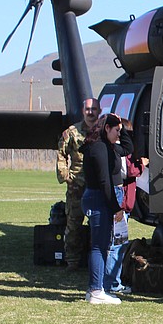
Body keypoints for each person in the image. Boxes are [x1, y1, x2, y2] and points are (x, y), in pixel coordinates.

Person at [81, 113, 126, 305]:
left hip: (96, 197)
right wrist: (115, 207)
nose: (118, 135)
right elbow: (104, 181)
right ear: (107, 128)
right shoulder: (99, 148)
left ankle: (95, 288)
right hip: (98, 198)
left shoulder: (99, 145)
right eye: (117, 130)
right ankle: (97, 290)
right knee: (100, 246)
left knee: (100, 245)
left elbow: (127, 148)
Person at [57, 98, 100, 271]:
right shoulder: (72, 132)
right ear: (83, 111)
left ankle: (95, 261)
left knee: (97, 225)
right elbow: (61, 153)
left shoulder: (103, 130)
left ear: (99, 110)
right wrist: (65, 174)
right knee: (73, 224)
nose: (91, 112)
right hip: (77, 184)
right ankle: (72, 261)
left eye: (94, 109)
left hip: (97, 184)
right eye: (88, 109)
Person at [105, 121, 146, 297]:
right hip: (120, 201)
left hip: (125, 200)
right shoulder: (118, 149)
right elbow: (126, 171)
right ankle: (112, 283)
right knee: (116, 244)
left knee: (117, 243)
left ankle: (111, 281)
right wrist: (141, 164)